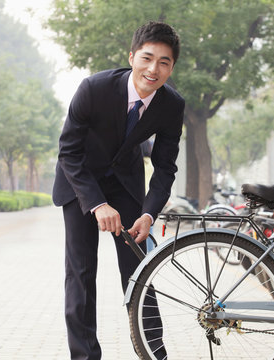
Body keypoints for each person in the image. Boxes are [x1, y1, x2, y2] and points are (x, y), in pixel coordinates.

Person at [52, 21, 184, 360]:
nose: (153, 69)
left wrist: (148, 213)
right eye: (147, 58)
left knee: (139, 271)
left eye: (164, 62)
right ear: (132, 56)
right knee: (81, 273)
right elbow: (68, 151)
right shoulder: (93, 89)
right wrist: (97, 204)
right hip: (79, 183)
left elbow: (165, 166)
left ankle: (156, 354)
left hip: (125, 186)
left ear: (171, 67)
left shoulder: (172, 105)